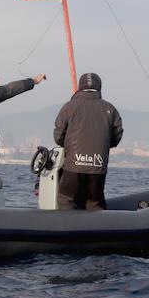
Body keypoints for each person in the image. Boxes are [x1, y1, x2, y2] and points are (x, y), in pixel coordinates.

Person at [53, 72, 123, 210]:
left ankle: (68, 230)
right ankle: (97, 229)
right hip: (98, 167)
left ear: (80, 87)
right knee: (95, 203)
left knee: (66, 199)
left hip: (73, 165)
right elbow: (116, 136)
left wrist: (68, 146)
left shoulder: (69, 107)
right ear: (99, 88)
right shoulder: (110, 109)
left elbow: (58, 136)